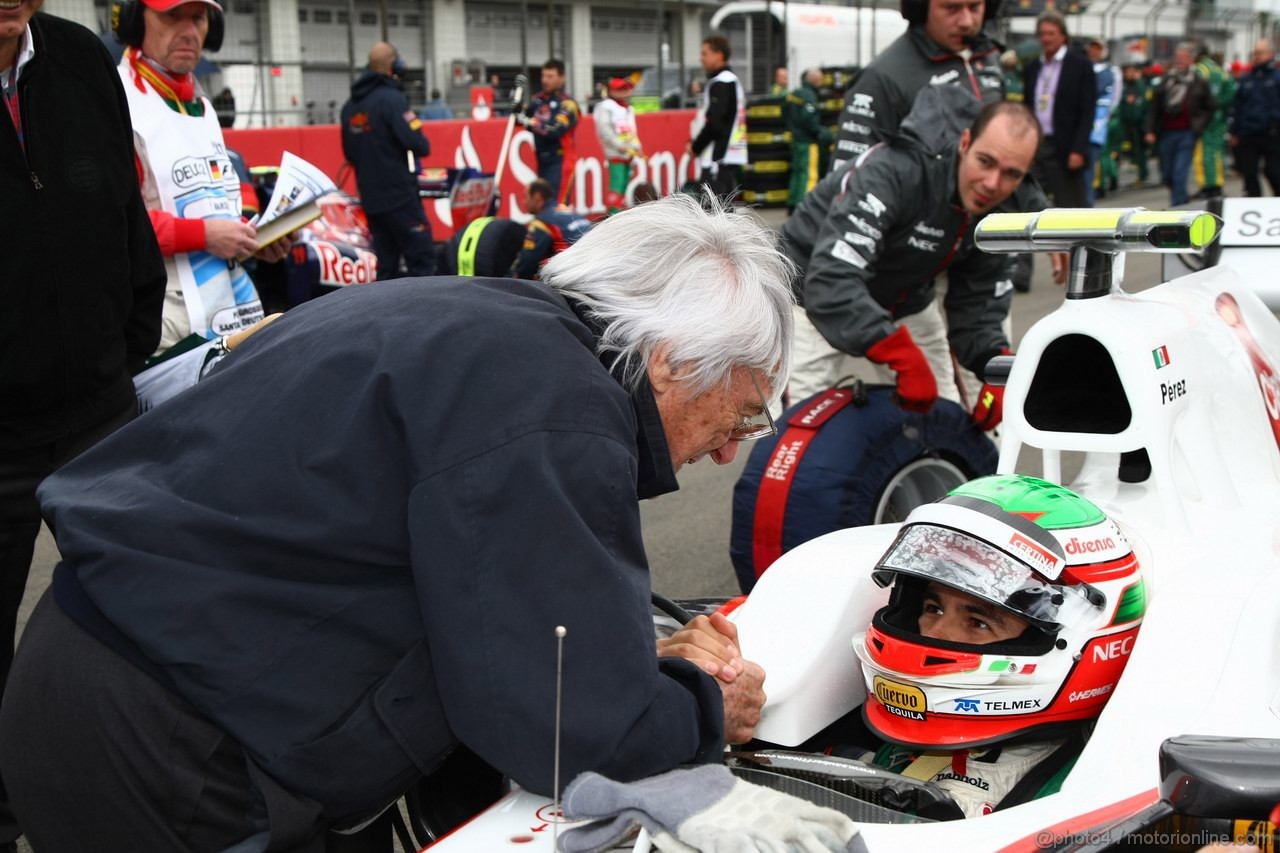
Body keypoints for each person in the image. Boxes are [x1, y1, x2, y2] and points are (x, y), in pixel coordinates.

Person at [0, 193, 789, 851]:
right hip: (170, 748)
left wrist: (626, 661)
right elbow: (572, 729)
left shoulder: (480, 320)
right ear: (673, 359)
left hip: (93, 679)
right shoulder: (559, 408)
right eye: (743, 413)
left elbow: (493, 619)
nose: (730, 453)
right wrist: (704, 703)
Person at [1, 6, 166, 848]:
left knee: (137, 614)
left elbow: (123, 212)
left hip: (100, 404)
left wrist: (125, 345)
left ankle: (127, 793)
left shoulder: (75, 56)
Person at [800, 474, 1145, 818]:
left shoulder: (1083, 799)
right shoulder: (903, 733)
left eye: (978, 622)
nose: (935, 632)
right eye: (933, 607)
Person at [780, 95, 1056, 425]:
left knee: (945, 420)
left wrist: (997, 369)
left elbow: (977, 306)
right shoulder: (895, 169)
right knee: (801, 434)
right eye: (985, 161)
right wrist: (898, 354)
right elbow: (830, 280)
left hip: (905, 300)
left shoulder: (1003, 206)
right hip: (810, 295)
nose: (992, 184)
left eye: (1011, 174)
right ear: (965, 143)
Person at [116, 0, 284, 357]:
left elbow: (210, 207)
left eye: (198, 18)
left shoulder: (200, 105)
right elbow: (113, 225)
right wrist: (206, 236)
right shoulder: (117, 101)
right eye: (172, 16)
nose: (189, 31)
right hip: (161, 320)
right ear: (133, 21)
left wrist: (250, 237)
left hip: (228, 309)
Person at [830, 0, 1005, 169]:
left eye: (975, 7)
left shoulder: (989, 56)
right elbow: (848, 179)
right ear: (920, 7)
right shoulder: (879, 78)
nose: (966, 22)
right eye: (951, 8)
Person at [341, 41, 434, 280]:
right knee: (421, 261)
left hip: (371, 200)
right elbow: (418, 144)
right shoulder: (392, 99)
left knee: (387, 267)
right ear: (392, 63)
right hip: (400, 196)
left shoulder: (350, 107)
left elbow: (349, 153)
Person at [1022, 11, 1096, 208]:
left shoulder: (1080, 66)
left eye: (1051, 33)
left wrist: (1078, 149)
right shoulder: (1032, 68)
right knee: (1029, 201)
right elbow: (1027, 107)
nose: (1046, 38)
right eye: (1042, 34)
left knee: (1070, 205)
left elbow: (1087, 111)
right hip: (1037, 146)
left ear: (1063, 35)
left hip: (1065, 146)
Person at [1145, 43, 1214, 207]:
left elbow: (1210, 106)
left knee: (1179, 173)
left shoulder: (1198, 81)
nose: (1180, 61)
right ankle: (1182, 198)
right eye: (1178, 57)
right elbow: (1155, 106)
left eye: (1184, 57)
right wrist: (1150, 129)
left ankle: (1177, 206)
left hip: (1187, 132)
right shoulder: (1167, 80)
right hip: (1167, 132)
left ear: (1191, 60)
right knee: (1167, 173)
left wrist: (1199, 124)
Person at [687, 34, 747, 202]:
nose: (701, 58)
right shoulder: (730, 80)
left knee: (711, 214)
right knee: (722, 212)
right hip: (726, 158)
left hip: (718, 158)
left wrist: (695, 146)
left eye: (705, 53)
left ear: (719, 55)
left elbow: (716, 123)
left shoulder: (722, 82)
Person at [521, 58, 579, 206]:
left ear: (561, 78)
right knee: (543, 205)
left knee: (558, 205)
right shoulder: (538, 101)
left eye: (550, 76)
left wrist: (529, 121)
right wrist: (516, 109)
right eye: (543, 76)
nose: (545, 80)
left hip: (561, 161)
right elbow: (520, 119)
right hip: (542, 160)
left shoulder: (568, 104)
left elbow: (554, 130)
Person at [1229, 39, 1280, 198]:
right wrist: (1234, 132)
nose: (1256, 56)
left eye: (1260, 53)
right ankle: (1254, 202)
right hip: (1248, 133)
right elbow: (1238, 106)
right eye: (1255, 53)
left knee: (1273, 171)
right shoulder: (1247, 79)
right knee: (1249, 172)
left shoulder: (1277, 77)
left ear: (1270, 54)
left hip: (1272, 132)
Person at [514, 178, 594, 278]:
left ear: (537, 197)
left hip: (579, 273)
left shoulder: (542, 222)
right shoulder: (570, 211)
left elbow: (527, 263)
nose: (523, 202)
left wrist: (513, 278)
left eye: (526, 197)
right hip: (597, 264)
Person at [784, 67, 834, 213]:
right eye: (820, 79)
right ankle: (806, 206)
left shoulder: (794, 94)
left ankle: (793, 202)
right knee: (809, 174)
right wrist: (821, 133)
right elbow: (809, 118)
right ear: (816, 80)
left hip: (796, 139)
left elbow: (784, 113)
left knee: (797, 172)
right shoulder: (809, 95)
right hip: (808, 141)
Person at [594, 76, 642, 214]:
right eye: (619, 89)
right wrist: (619, 145)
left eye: (624, 88)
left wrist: (637, 147)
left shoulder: (627, 108)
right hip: (616, 153)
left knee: (623, 185)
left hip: (628, 153)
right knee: (617, 185)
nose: (624, 91)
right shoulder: (606, 107)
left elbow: (631, 130)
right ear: (611, 91)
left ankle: (616, 212)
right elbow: (604, 131)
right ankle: (612, 215)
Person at [1193, 45, 1234, 200]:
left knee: (1205, 152)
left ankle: (1209, 186)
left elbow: (1195, 95)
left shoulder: (1201, 69)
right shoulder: (1218, 69)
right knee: (1218, 151)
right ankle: (1217, 183)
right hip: (1218, 116)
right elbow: (1231, 89)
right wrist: (1220, 105)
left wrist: (1206, 109)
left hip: (1205, 117)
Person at [1086, 38, 1120, 204]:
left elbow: (1115, 98)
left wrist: (1105, 117)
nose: (1094, 52)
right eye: (1092, 48)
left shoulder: (1111, 72)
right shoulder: (1084, 68)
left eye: (1098, 48)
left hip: (1099, 123)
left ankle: (1099, 185)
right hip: (1085, 122)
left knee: (1100, 155)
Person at [1118, 61, 1152, 186]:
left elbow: (1144, 105)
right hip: (1126, 124)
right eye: (1127, 72)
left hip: (1139, 124)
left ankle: (1143, 174)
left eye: (1131, 72)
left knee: (1140, 150)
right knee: (1128, 150)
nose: (1129, 74)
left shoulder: (1140, 86)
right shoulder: (1123, 86)